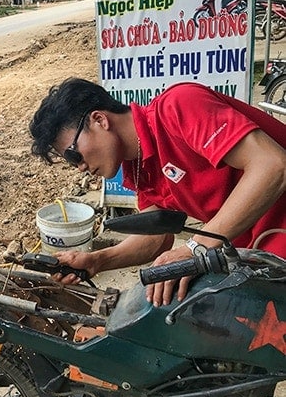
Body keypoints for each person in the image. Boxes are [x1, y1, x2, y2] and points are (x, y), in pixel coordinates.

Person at [29, 78, 286, 307]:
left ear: (99, 120)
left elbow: (272, 165)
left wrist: (194, 249)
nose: (80, 167)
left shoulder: (179, 106)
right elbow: (156, 238)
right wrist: (97, 260)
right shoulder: (139, 166)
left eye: (74, 154)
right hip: (257, 251)